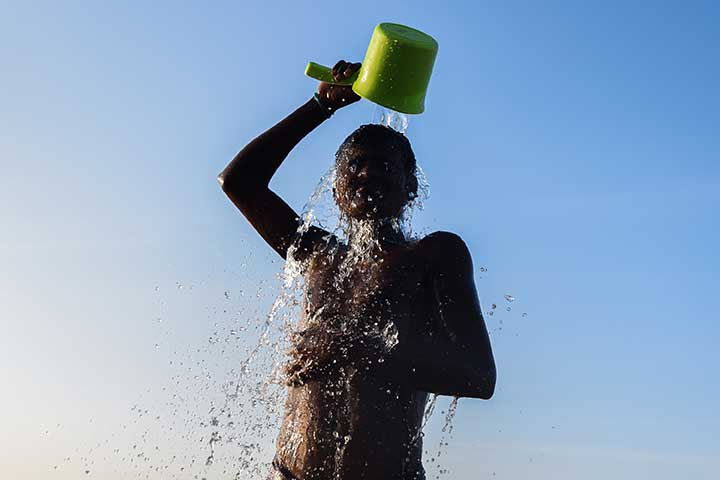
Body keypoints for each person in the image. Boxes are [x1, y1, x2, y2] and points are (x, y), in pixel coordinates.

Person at [218, 60, 496, 480]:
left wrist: (356, 350)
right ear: (336, 189)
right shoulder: (316, 254)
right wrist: (319, 104)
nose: (367, 174)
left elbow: (478, 375)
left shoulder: (434, 255)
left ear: (411, 187)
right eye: (355, 166)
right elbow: (240, 182)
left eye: (385, 166)